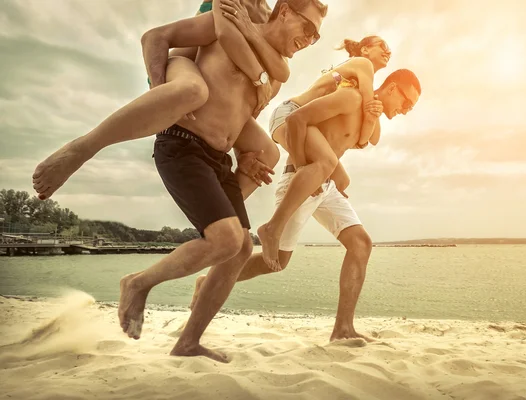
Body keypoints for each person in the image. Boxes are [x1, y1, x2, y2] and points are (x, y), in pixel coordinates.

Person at [115, 0, 328, 360]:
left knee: (240, 247)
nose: (309, 38)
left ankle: (187, 342)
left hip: (216, 150)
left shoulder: (265, 30)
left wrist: (242, 146)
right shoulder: (228, 8)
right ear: (288, 12)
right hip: (182, 133)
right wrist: (159, 92)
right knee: (228, 239)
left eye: (316, 35)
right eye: (307, 27)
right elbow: (173, 43)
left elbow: (243, 101)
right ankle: (138, 283)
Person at [191, 68, 422, 342]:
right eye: (406, 102)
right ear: (393, 88)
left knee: (361, 243)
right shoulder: (350, 97)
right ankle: (208, 282)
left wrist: (340, 175)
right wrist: (303, 167)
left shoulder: (369, 113)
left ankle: (343, 330)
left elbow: (368, 138)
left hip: (327, 185)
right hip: (302, 180)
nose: (406, 110)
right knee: (277, 262)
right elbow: (297, 120)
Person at [31, 0, 291, 201]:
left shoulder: (270, 18)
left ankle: (226, 214)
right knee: (192, 90)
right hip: (181, 68)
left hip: (215, 94)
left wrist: (241, 152)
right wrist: (159, 90)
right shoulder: (234, 4)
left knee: (267, 152)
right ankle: (83, 148)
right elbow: (210, 37)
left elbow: (241, 99)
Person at [257, 35, 393, 269]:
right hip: (290, 114)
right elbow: (366, 134)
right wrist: (302, 167)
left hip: (303, 123)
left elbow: (368, 135)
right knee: (326, 163)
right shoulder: (364, 65)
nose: (388, 52)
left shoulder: (356, 79)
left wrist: (372, 115)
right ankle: (272, 228)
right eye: (384, 46)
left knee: (341, 179)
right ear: (365, 48)